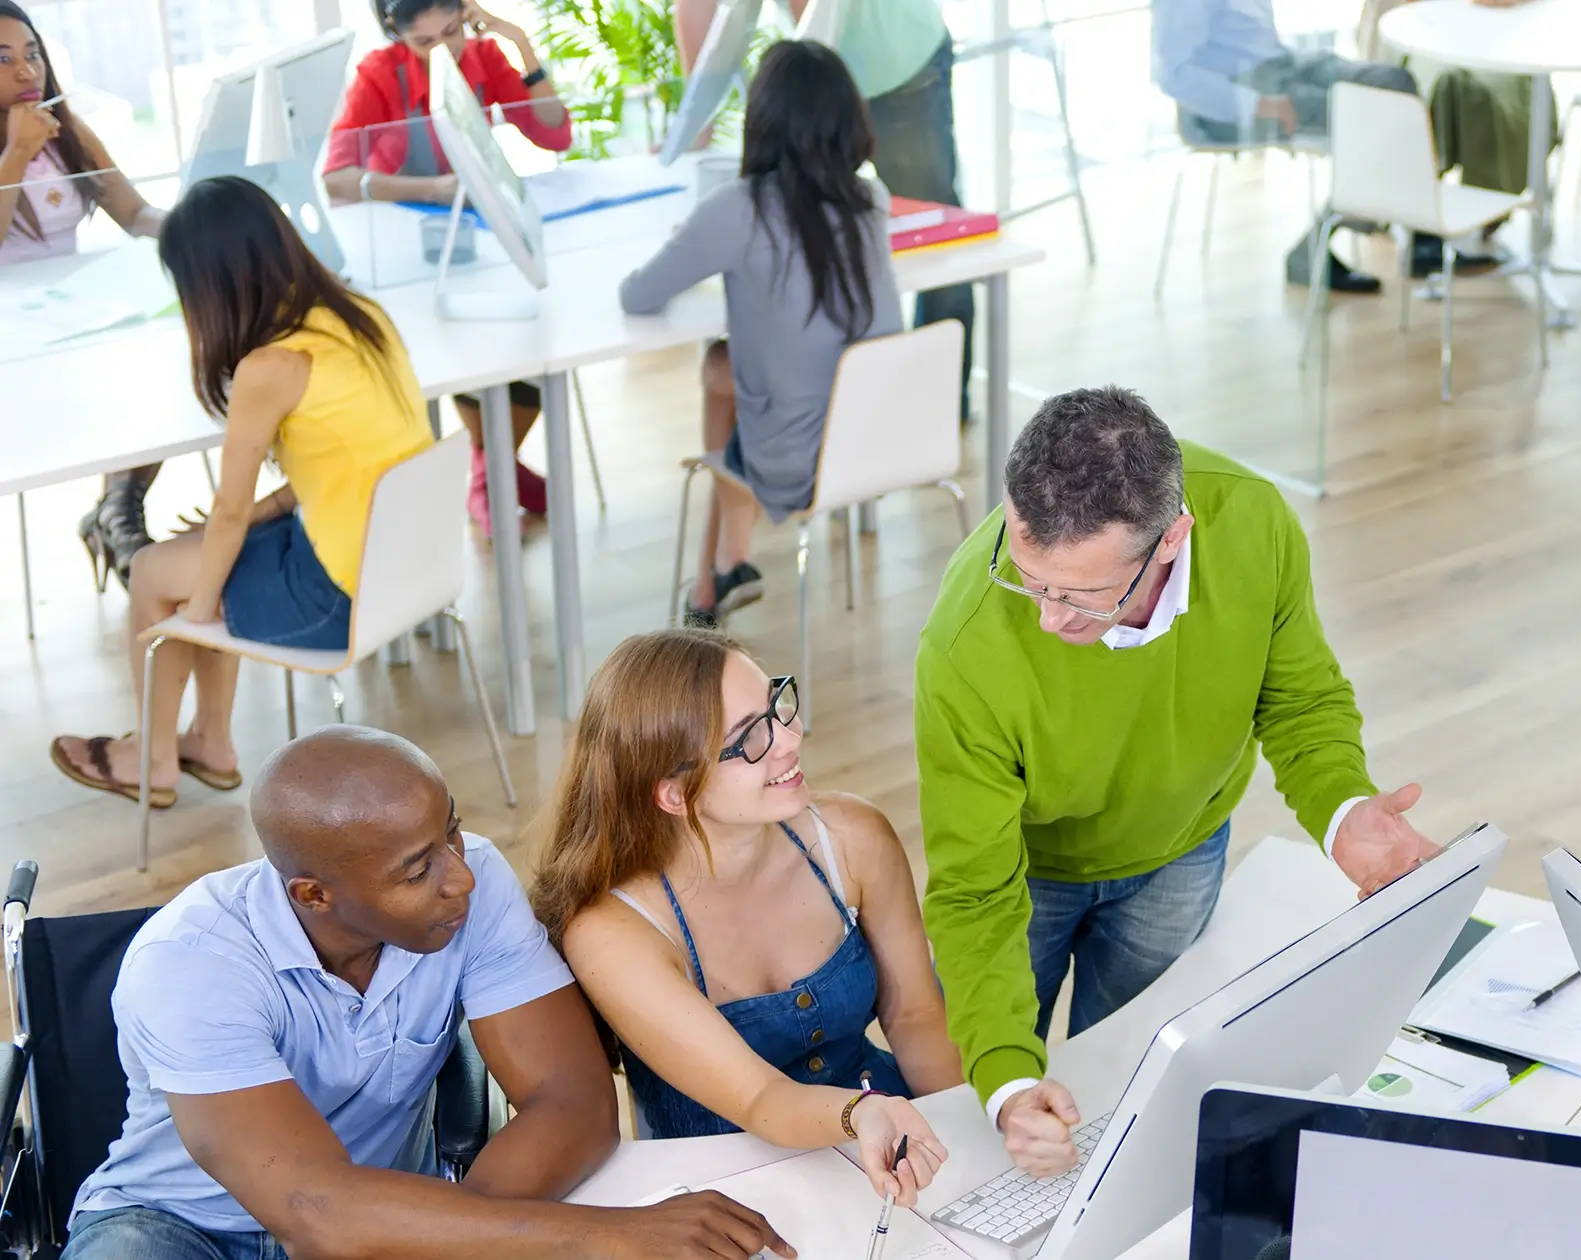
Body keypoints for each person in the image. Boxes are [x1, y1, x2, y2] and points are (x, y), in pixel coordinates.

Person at [915, 386, 1445, 1176]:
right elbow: (973, 893)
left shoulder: (1255, 522)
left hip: (1179, 853)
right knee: (1007, 1121)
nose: (1048, 620)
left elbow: (1298, 699)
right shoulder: (963, 646)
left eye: (1082, 595)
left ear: (1173, 540)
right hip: (1023, 878)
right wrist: (1009, 1081)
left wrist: (1340, 808)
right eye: (1031, 579)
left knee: (1130, 1093)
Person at [62, 726, 794, 1260]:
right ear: (314, 895)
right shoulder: (191, 964)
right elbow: (313, 1209)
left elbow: (576, 1103)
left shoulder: (470, 883)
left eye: (453, 832)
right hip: (172, 1227)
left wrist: (442, 1235)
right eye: (418, 870)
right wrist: (613, 1237)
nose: (462, 876)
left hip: (397, 1218)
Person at [531, 629, 957, 1204]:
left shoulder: (854, 838)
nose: (788, 739)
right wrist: (867, 1115)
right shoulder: (614, 933)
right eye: (750, 737)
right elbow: (760, 1098)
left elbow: (916, 1015)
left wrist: (963, 1142)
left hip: (882, 1129)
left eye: (776, 705)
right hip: (724, 1188)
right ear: (674, 794)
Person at [46, 177, 432, 807]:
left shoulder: (272, 366)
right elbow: (358, 460)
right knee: (197, 553)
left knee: (151, 572)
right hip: (395, 565)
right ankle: (209, 742)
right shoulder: (357, 315)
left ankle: (151, 758)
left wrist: (197, 613)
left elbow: (227, 509)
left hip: (336, 597)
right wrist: (253, 520)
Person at [619, 39, 901, 628]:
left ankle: (718, 571)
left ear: (762, 122)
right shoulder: (870, 200)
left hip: (797, 463)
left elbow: (639, 296)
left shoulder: (737, 209)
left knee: (723, 372)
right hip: (878, 437)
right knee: (723, 368)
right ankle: (720, 571)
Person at [325, 0, 569, 536]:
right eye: (426, 41)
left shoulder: (483, 58)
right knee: (465, 345)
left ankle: (491, 467)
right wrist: (428, 189)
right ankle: (494, 470)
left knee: (525, 339)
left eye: (453, 30)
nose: (446, 49)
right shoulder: (377, 74)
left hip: (483, 242)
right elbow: (336, 176)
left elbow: (553, 135)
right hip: (413, 254)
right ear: (395, 33)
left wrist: (518, 43)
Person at [673, 0, 974, 423]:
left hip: (898, 63)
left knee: (939, 242)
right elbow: (697, 6)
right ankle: (833, 416)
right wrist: (698, 116)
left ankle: (938, 413)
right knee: (801, 232)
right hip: (821, 77)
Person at [0, 0, 174, 588]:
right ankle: (118, 518)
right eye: (3, 60)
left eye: (33, 56)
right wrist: (15, 155)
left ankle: (118, 511)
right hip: (12, 341)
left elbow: (133, 211)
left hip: (71, 319)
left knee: (169, 360)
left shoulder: (68, 131)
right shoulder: (24, 144)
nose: (27, 73)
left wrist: (193, 223)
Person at [1152, 0, 1425, 294]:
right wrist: (1259, 104)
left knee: (1395, 83)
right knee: (1370, 115)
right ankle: (1317, 248)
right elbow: (1174, 76)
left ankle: (1420, 230)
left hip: (1279, 64)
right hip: (1232, 105)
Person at [1354, 0, 1547, 279]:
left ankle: (1490, 205)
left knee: (1498, 92)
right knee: (1439, 84)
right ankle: (1422, 225)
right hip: (1419, 30)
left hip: (1492, 34)